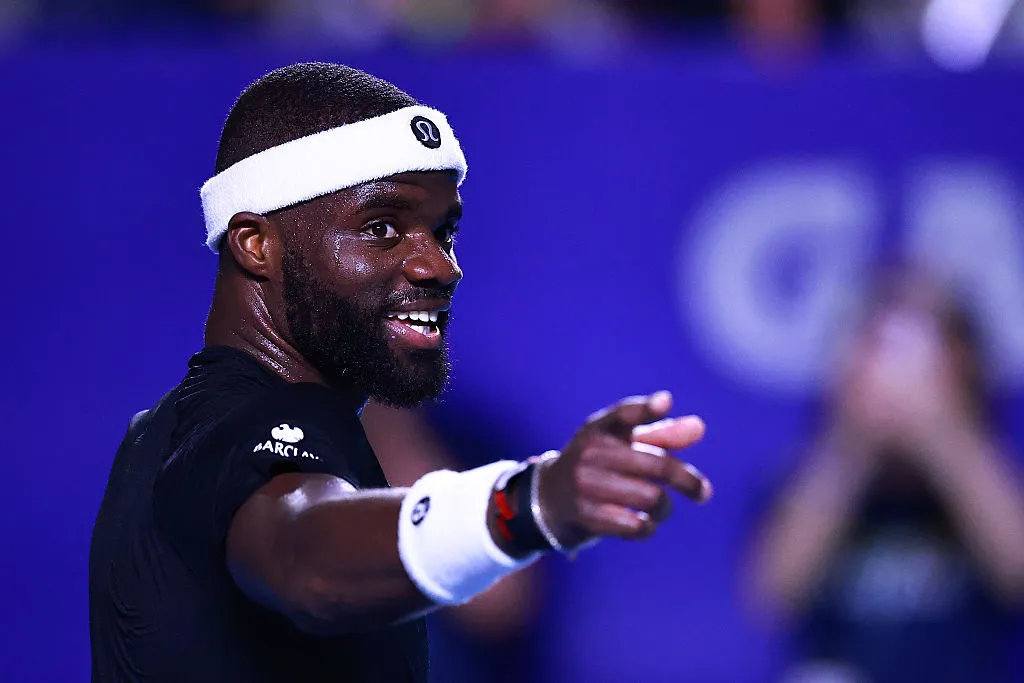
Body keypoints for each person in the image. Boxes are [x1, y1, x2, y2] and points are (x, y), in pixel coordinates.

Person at [88, 62, 713, 683]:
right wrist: (532, 501)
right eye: (382, 227)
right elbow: (304, 557)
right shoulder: (243, 422)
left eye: (443, 232)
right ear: (256, 245)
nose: (440, 267)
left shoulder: (178, 429)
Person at [747, 271, 1024, 683]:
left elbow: (1016, 573)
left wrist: (943, 433)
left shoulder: (996, 480)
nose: (901, 381)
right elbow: (775, 593)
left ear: (964, 365)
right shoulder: (808, 480)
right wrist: (854, 441)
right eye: (881, 352)